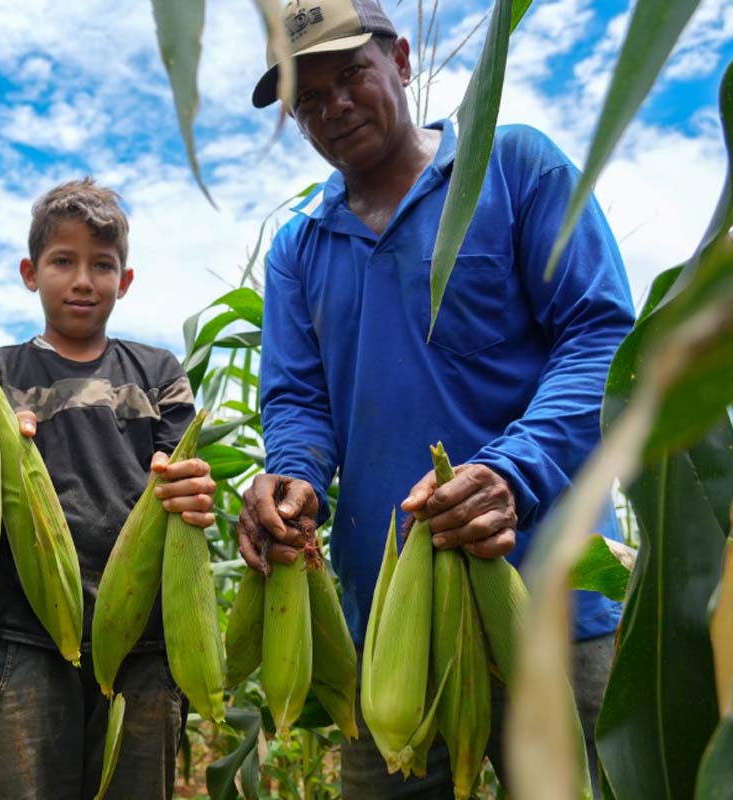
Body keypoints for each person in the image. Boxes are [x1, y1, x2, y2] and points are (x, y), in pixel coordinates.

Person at [239, 1, 636, 797]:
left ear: (404, 60)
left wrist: (512, 475)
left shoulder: (514, 167)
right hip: (391, 629)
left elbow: (600, 339)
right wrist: (293, 476)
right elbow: (295, 399)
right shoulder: (298, 248)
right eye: (307, 99)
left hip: (557, 605)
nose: (334, 107)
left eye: (350, 75)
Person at [0, 178, 217, 799]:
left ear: (126, 279)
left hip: (144, 640)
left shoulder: (159, 373)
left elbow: (179, 471)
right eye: (63, 262)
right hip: (23, 635)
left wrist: (193, 489)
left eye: (102, 265)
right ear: (30, 273)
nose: (83, 280)